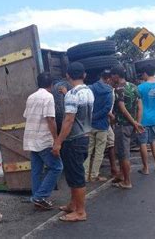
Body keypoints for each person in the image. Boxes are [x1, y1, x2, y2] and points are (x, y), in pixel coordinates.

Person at [53, 62, 94, 222]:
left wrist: (58, 141)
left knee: (76, 176)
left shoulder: (72, 95)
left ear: (68, 76)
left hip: (73, 140)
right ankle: (72, 204)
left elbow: (69, 120)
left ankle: (80, 212)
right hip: (85, 137)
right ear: (84, 75)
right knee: (73, 174)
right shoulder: (88, 91)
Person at [23, 72, 62, 210]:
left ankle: (38, 197)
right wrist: (56, 139)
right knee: (57, 167)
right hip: (43, 139)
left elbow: (26, 116)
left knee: (36, 170)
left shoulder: (31, 97)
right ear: (51, 84)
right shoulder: (48, 97)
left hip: (31, 139)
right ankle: (40, 197)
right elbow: (50, 119)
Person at [110, 65, 143, 190]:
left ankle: (127, 181)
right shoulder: (134, 87)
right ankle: (123, 176)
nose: (111, 78)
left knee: (124, 155)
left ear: (116, 76)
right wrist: (137, 123)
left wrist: (134, 123)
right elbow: (140, 106)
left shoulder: (119, 89)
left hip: (123, 125)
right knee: (124, 152)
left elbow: (122, 109)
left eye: (112, 75)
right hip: (132, 125)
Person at [85, 70, 114, 182]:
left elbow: (87, 104)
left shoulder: (90, 88)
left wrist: (91, 116)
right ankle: (94, 175)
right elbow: (107, 109)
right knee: (99, 152)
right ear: (108, 79)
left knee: (88, 151)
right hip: (102, 125)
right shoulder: (109, 91)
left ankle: (84, 175)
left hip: (90, 124)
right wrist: (97, 116)